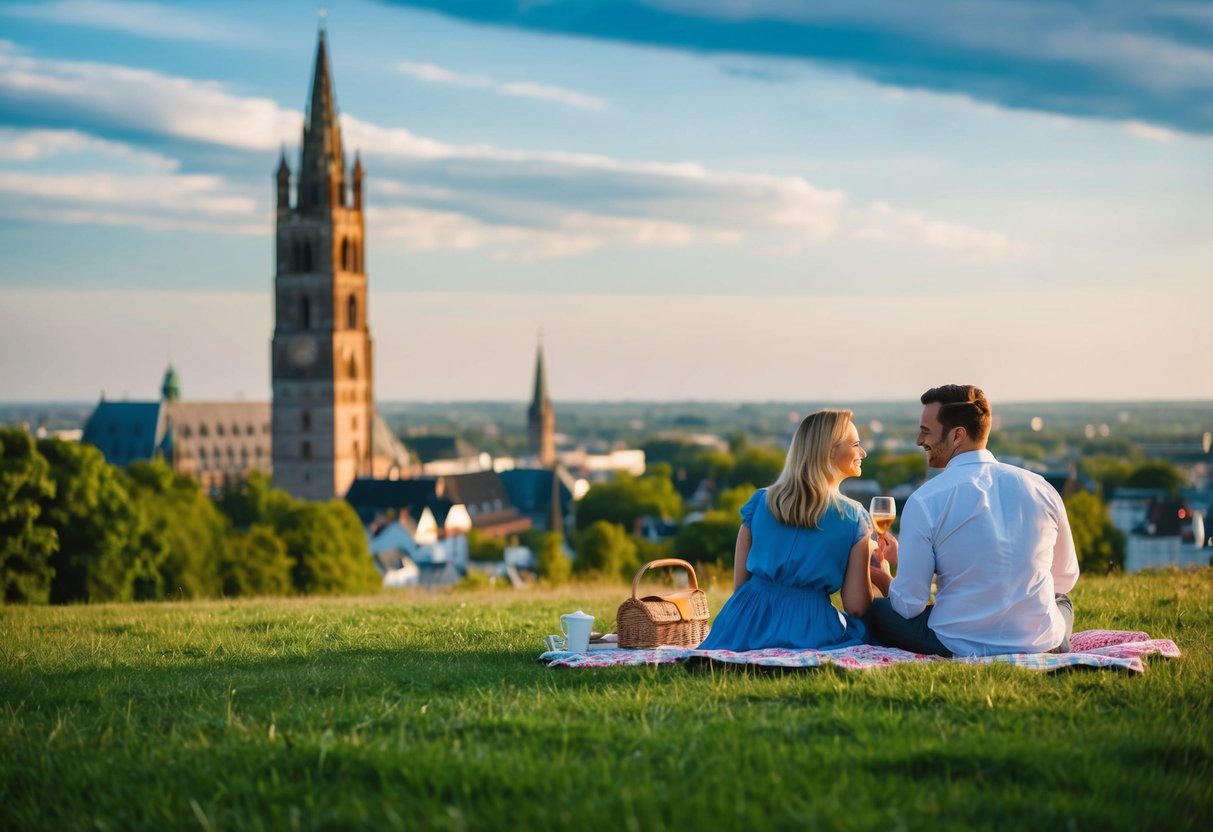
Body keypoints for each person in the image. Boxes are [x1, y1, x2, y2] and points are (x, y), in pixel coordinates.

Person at [869, 385, 1080, 657]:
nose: (919, 441)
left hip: (957, 643)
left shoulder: (925, 500)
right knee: (1061, 600)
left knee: (877, 610)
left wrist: (886, 580)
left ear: (957, 436)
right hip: (1041, 642)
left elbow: (909, 605)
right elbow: (1064, 579)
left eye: (926, 431)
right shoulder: (1041, 488)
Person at [697, 409, 878, 651]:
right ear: (832, 451)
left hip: (743, 626)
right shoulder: (854, 517)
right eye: (855, 444)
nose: (862, 452)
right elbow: (856, 607)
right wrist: (877, 570)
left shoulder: (759, 502)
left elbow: (740, 586)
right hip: (810, 629)